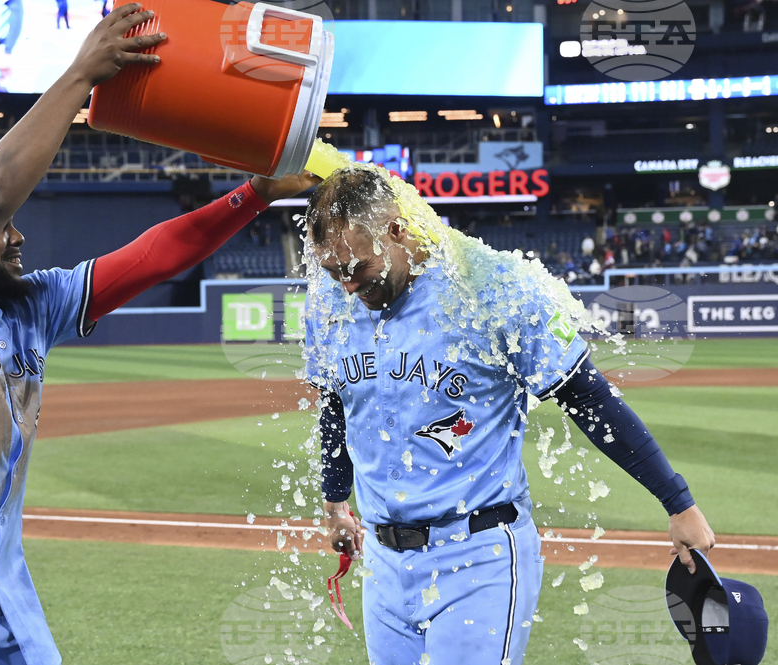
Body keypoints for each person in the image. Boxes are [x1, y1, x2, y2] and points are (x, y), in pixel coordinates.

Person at [0, 7, 319, 665]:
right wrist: (81, 75)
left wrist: (254, 194)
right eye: (2, 229)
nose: (17, 235)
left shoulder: (32, 305)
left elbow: (155, 257)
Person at [301, 168, 714, 665]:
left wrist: (678, 502)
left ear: (396, 231)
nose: (347, 285)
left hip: (477, 557)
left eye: (356, 267)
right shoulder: (329, 301)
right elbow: (336, 406)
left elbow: (589, 399)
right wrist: (335, 502)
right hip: (383, 564)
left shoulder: (489, 288)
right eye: (333, 272)